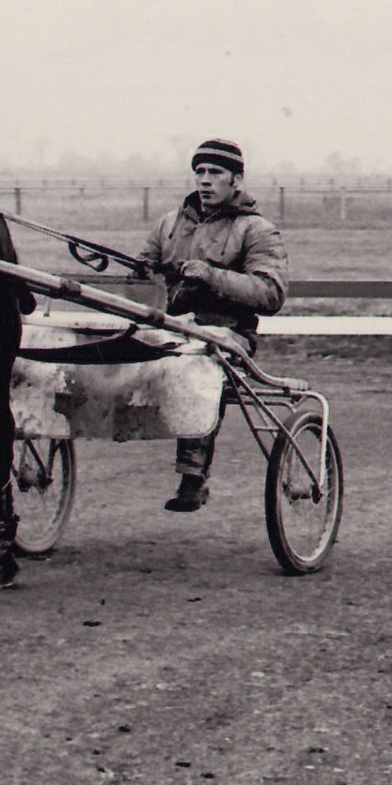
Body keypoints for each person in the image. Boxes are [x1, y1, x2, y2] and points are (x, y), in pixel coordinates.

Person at [137, 139, 289, 512]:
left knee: (197, 362)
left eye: (215, 173)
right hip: (172, 329)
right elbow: (143, 273)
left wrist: (210, 276)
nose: (205, 181)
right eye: (200, 172)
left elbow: (271, 294)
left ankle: (193, 476)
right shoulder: (169, 224)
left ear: (236, 180)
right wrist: (141, 270)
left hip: (228, 335)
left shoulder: (257, 230)